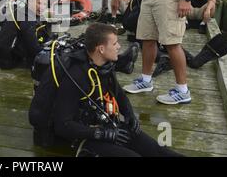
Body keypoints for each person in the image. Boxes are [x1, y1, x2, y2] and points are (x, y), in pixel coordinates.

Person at [52, 23, 180, 157]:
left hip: (110, 128)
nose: (119, 47)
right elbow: (62, 125)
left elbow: (119, 94)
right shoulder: (76, 77)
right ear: (101, 49)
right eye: (114, 44)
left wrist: (129, 114)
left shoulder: (104, 67)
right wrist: (101, 134)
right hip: (85, 138)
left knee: (159, 151)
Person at [0, 0, 50, 70]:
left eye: (44, 4)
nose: (42, 7)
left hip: (12, 56)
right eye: (39, 3)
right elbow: (33, 48)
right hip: (10, 62)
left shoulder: (25, 12)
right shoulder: (26, 19)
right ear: (30, 1)